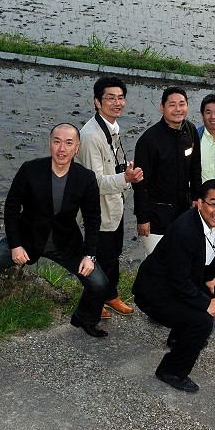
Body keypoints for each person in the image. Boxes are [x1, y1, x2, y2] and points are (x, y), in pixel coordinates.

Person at [0, 123, 108, 338]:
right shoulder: (30, 169)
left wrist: (89, 255)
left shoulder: (86, 178)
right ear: (49, 144)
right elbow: (11, 208)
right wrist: (15, 245)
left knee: (99, 284)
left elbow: (93, 219)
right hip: (27, 239)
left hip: (65, 243)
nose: (62, 148)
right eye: (57, 141)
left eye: (69, 143)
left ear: (77, 147)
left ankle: (84, 318)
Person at [132, 179, 215, 393]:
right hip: (155, 293)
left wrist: (209, 279)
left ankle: (179, 338)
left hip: (174, 284)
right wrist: (206, 303)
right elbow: (180, 283)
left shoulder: (212, 223)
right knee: (203, 322)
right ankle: (171, 370)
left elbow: (208, 256)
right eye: (213, 203)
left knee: (210, 293)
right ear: (200, 203)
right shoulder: (185, 232)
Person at [77, 75, 143, 319]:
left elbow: (111, 167)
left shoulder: (112, 128)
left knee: (113, 252)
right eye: (110, 98)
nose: (117, 103)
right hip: (99, 209)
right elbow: (93, 182)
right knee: (99, 257)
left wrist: (126, 169)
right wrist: (126, 179)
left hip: (115, 203)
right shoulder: (91, 136)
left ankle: (110, 295)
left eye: (121, 98)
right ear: (97, 101)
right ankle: (94, 301)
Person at [133, 86, 202, 254]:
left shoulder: (190, 131)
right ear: (161, 107)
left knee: (179, 257)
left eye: (182, 104)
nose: (178, 109)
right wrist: (142, 218)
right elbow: (140, 183)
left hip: (182, 211)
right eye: (172, 105)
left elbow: (195, 166)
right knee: (157, 262)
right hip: (157, 215)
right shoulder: (149, 141)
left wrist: (196, 196)